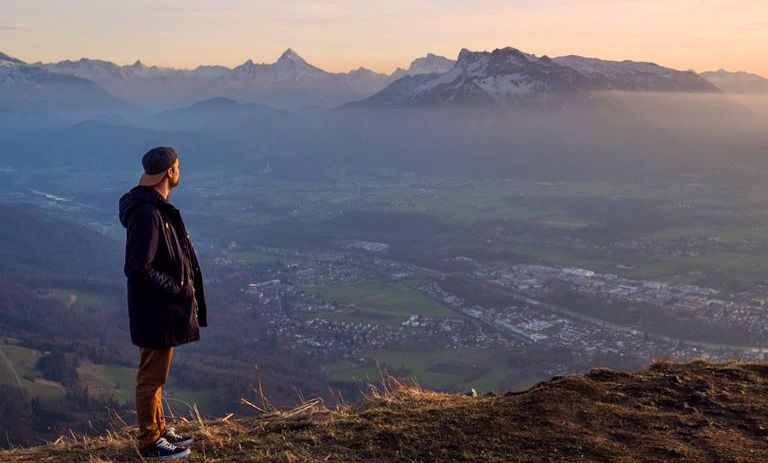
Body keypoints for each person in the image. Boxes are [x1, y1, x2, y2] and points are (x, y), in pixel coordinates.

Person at [118, 146, 208, 460]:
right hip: (155, 311)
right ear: (169, 171)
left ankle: (159, 429)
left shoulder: (153, 206)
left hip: (157, 310)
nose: (180, 171)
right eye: (178, 166)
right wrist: (178, 288)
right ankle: (149, 441)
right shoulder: (148, 213)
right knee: (151, 375)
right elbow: (137, 269)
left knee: (157, 374)